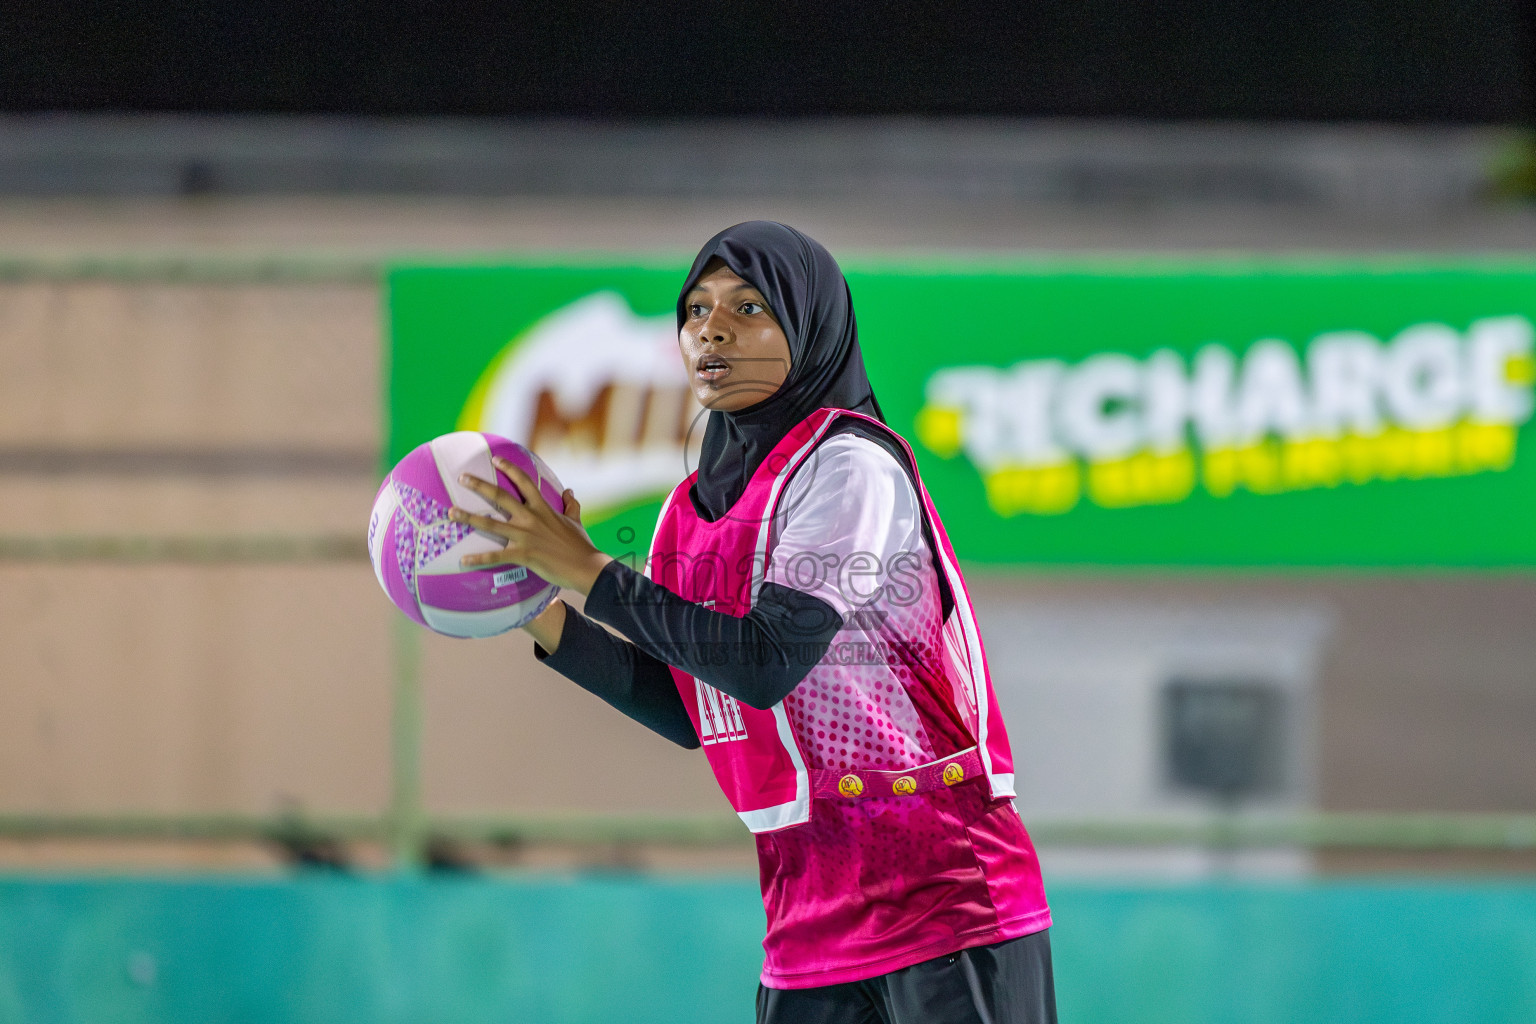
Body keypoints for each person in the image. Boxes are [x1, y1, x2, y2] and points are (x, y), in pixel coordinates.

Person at [448, 221, 1056, 1024]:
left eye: (748, 307)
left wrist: (588, 570)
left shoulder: (850, 466)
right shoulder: (682, 516)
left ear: (808, 329)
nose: (713, 329)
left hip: (945, 896)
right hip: (806, 924)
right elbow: (694, 709)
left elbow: (766, 661)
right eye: (695, 309)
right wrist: (540, 608)